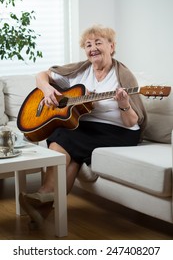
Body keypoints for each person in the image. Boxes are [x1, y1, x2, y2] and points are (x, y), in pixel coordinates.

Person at [19, 25, 147, 227]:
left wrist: (124, 105)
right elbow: (42, 75)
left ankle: (44, 195)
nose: (93, 48)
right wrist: (46, 90)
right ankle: (43, 206)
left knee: (65, 135)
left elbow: (132, 121)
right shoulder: (80, 71)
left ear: (111, 47)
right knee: (70, 149)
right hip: (88, 128)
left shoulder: (123, 75)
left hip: (121, 131)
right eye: (88, 45)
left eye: (98, 43)